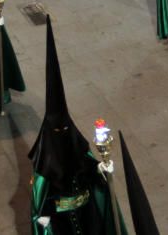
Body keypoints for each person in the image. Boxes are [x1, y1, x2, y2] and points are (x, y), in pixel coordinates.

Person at [29, 17, 125, 232]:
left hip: (87, 213)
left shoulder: (79, 152)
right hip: (61, 223)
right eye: (57, 132)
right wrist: (42, 219)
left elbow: (94, 175)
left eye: (65, 130)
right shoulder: (43, 169)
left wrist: (103, 168)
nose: (62, 136)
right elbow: (39, 201)